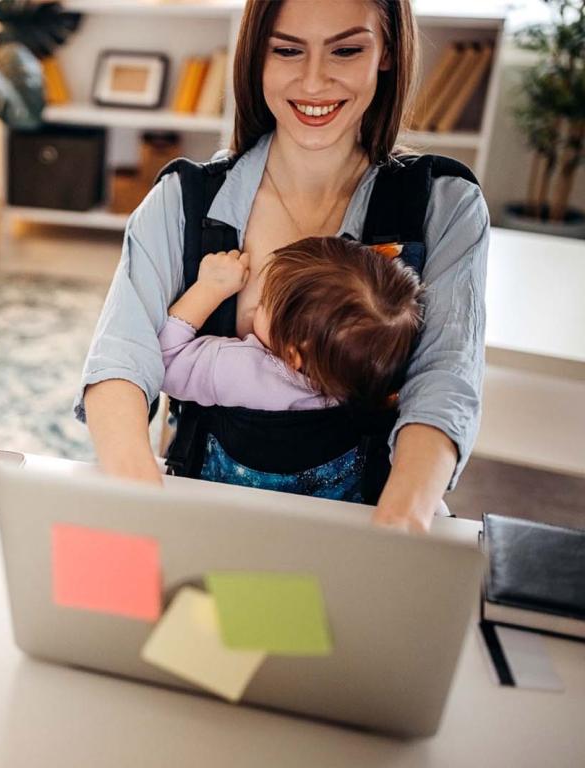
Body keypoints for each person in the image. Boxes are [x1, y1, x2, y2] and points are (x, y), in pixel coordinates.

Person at [75, 0, 489, 532]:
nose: (314, 81)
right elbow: (121, 361)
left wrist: (401, 521)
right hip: (207, 512)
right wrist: (139, 495)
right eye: (288, 50)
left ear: (386, 52)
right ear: (256, 56)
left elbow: (445, 378)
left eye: (346, 49)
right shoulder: (182, 199)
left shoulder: (443, 202)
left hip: (375, 519)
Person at [158, 238, 423, 500]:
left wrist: (209, 288)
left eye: (263, 304)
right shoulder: (368, 387)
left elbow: (164, 361)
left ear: (292, 354)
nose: (253, 308)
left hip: (227, 516)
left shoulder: (242, 369)